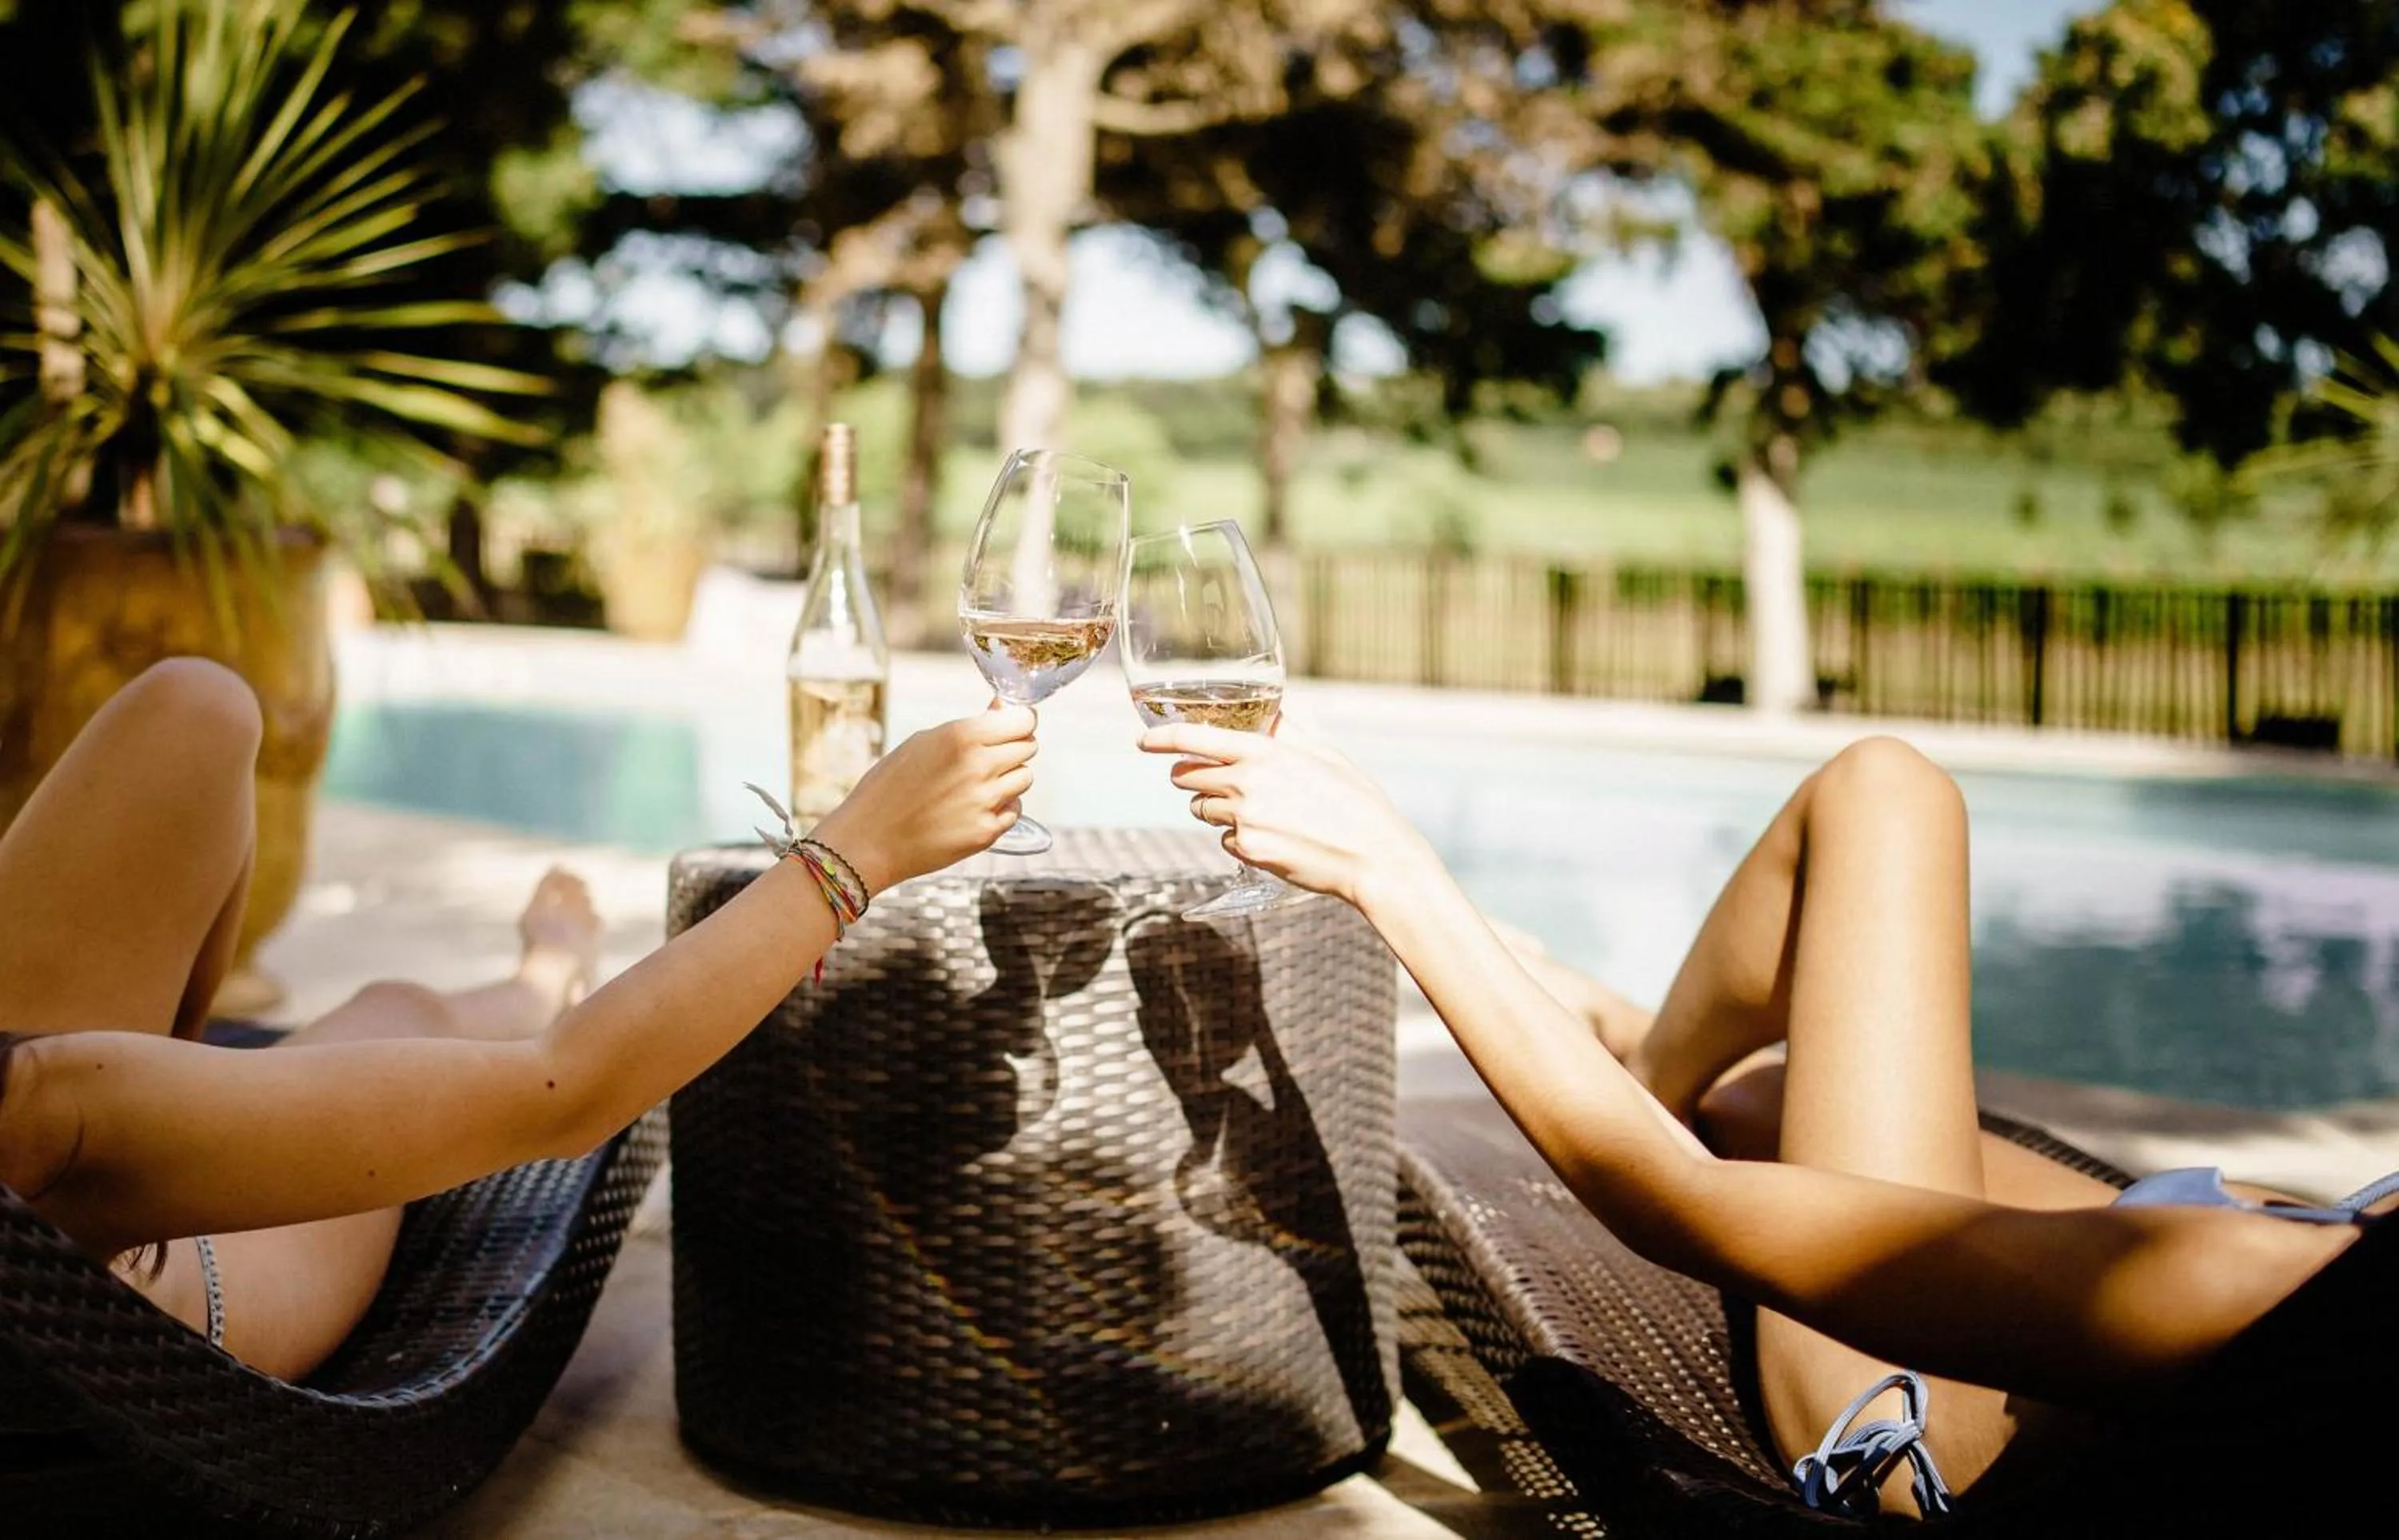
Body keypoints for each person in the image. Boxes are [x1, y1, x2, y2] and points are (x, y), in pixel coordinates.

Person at [1137, 717, 2389, 1518]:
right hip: (2239, 1262)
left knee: (1880, 793)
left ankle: (1637, 1059)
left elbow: (1680, 1206)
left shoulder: (2236, 1293)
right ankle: (1643, 1045)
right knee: (1769, 1094)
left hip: (1920, 1416)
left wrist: (1393, 875)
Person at [0, 658, 1038, 1382]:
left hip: (73, 1143)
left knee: (197, 706)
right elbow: (569, 1089)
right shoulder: (63, 1114)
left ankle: (522, 975)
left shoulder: (56, 1098)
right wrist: (861, 846)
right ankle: (545, 971)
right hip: (173, 1284)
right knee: (387, 1011)